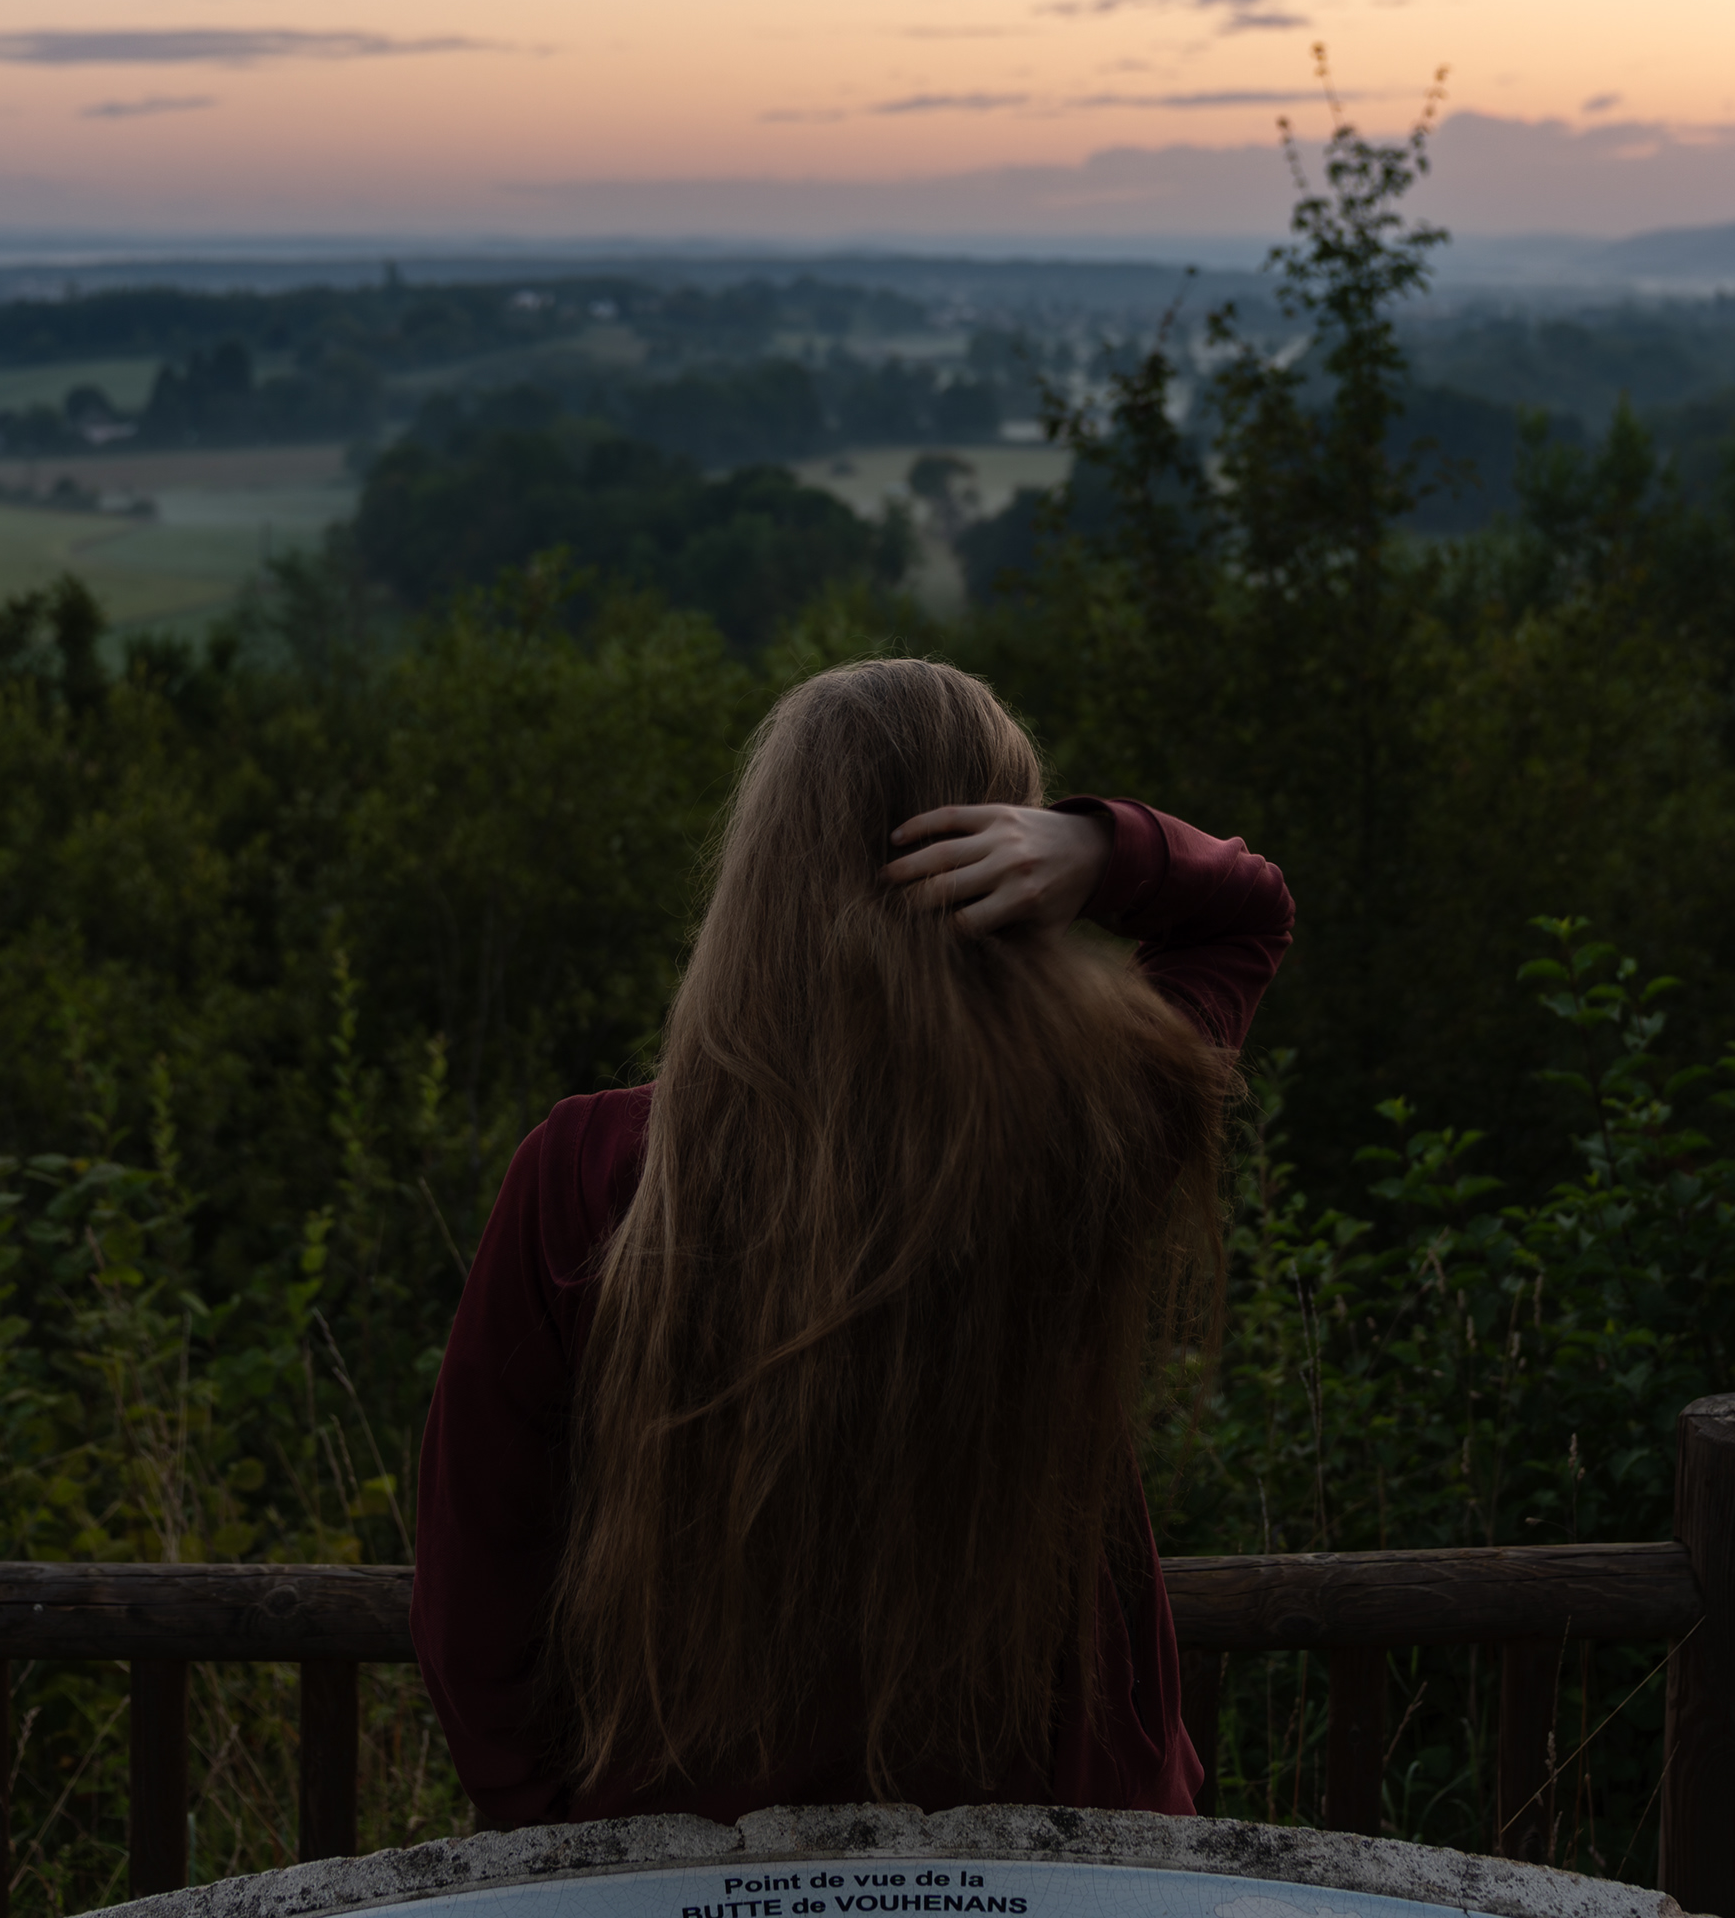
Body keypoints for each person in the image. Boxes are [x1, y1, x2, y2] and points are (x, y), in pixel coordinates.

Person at [411, 657, 1295, 1828]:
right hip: (1048, 1843)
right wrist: (1102, 849)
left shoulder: (594, 1169)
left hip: (685, 1851)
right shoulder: (1083, 1125)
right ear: (1008, 867)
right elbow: (1246, 911)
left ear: (761, 868)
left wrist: (551, 1840)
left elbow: (479, 1566)